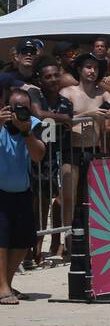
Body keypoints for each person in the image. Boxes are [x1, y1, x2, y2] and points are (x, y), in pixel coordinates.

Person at [60, 54, 110, 202]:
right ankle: (67, 225)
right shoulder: (67, 92)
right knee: (69, 198)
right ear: (79, 69)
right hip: (71, 151)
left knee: (92, 197)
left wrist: (102, 111)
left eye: (95, 68)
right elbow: (62, 121)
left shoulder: (101, 94)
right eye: (88, 67)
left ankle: (89, 225)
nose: (92, 71)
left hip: (93, 150)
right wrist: (88, 114)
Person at [0, 86, 45, 304]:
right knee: (1, 240)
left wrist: (26, 131)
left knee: (22, 241)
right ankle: (3, 288)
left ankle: (5, 284)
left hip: (22, 191)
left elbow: (38, 156)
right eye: (15, 107)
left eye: (24, 108)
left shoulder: (33, 125)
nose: (20, 112)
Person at [28, 58, 74, 264]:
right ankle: (33, 251)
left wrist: (60, 117)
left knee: (52, 203)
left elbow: (65, 117)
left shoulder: (66, 102)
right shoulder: (34, 94)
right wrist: (62, 118)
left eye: (56, 75)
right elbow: (38, 114)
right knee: (36, 208)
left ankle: (46, 248)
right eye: (48, 76)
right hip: (33, 159)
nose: (54, 79)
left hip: (55, 158)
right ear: (40, 79)